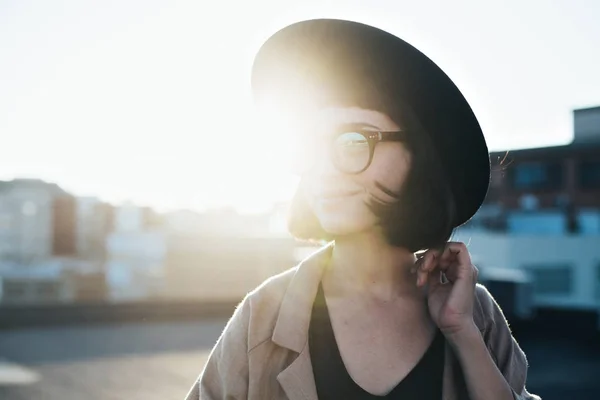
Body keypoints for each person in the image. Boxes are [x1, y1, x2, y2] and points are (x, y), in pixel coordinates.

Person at [185, 19, 540, 400]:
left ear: (416, 158)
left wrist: (463, 333)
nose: (323, 167)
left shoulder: (475, 313)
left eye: (354, 140)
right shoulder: (263, 317)